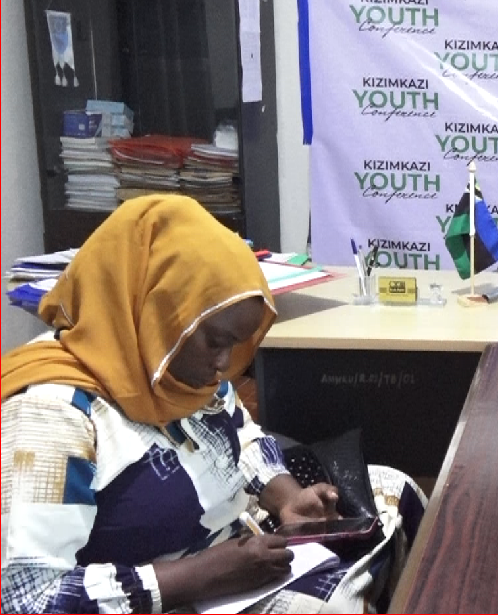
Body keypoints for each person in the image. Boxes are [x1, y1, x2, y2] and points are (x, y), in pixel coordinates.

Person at [1, 196, 426, 613]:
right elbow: (24, 598)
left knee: (398, 489)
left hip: (237, 546)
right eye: (216, 342)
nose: (224, 365)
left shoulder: (176, 366)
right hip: (161, 590)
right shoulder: (51, 413)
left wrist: (287, 497)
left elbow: (241, 438)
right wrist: (198, 576)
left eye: (233, 345)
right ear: (155, 313)